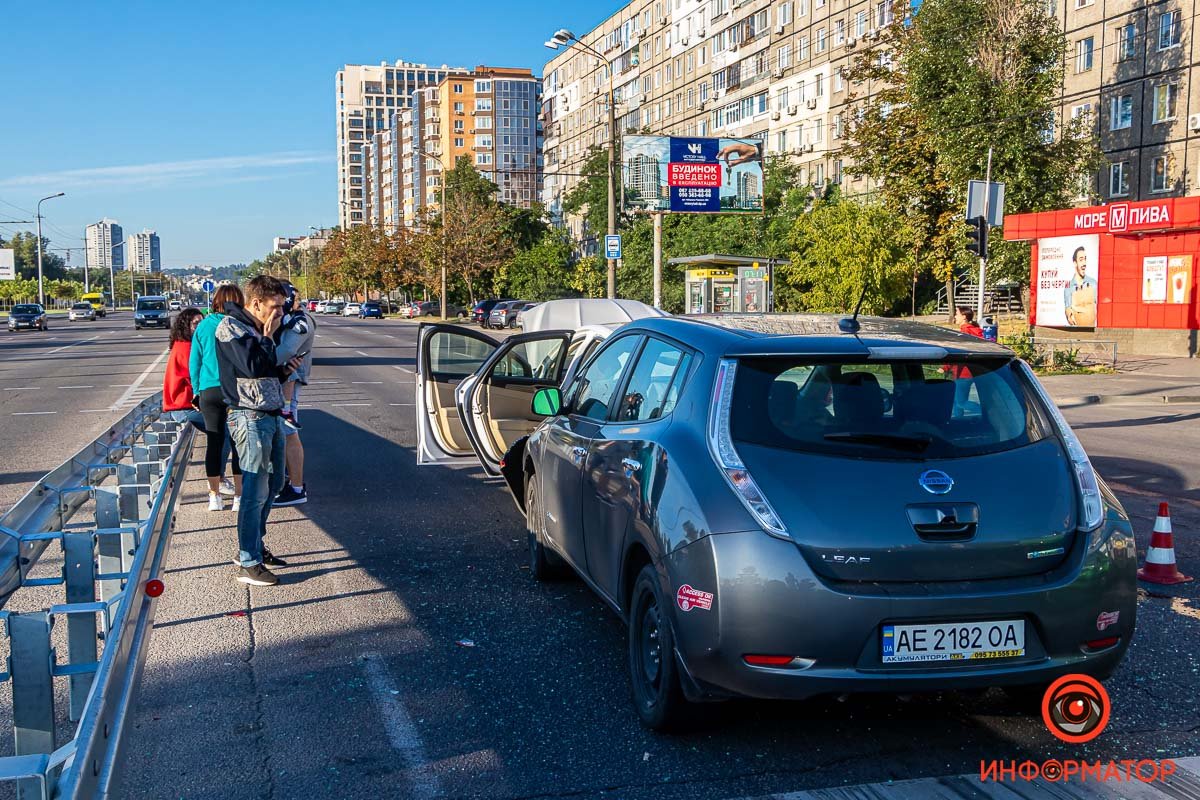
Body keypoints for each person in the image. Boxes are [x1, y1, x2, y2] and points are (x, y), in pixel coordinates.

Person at [216, 275, 301, 587]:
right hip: (248, 417)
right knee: (254, 490)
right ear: (255, 304)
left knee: (276, 482)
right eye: (274, 307)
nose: (279, 313)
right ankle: (248, 560)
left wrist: (283, 371)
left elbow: (264, 371)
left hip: (270, 413)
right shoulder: (231, 328)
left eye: (282, 307)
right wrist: (267, 338)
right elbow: (251, 365)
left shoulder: (257, 328)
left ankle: (254, 545)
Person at [190, 285, 244, 512]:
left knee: (214, 442)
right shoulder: (240, 325)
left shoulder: (203, 326)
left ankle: (214, 496)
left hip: (209, 391)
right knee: (238, 444)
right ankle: (239, 498)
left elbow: (195, 362)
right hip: (235, 391)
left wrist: (196, 390)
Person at [272, 280, 315, 507]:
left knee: (289, 432)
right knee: (284, 432)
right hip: (284, 379)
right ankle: (290, 482)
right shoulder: (293, 318)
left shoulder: (300, 321)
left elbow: (287, 350)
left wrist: (260, 362)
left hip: (289, 380)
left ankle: (296, 488)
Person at [162, 308, 206, 430]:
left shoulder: (182, 344)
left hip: (186, 405)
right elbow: (196, 376)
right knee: (223, 430)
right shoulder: (186, 348)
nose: (200, 326)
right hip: (184, 407)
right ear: (185, 326)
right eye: (195, 323)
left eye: (202, 322)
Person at [1063, 247, 1097, 326]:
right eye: (1081, 260)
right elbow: (1067, 307)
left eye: (1085, 259)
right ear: (1075, 263)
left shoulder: (1093, 283)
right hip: (1076, 331)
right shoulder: (1069, 287)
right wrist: (1069, 315)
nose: (1084, 263)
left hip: (1093, 331)